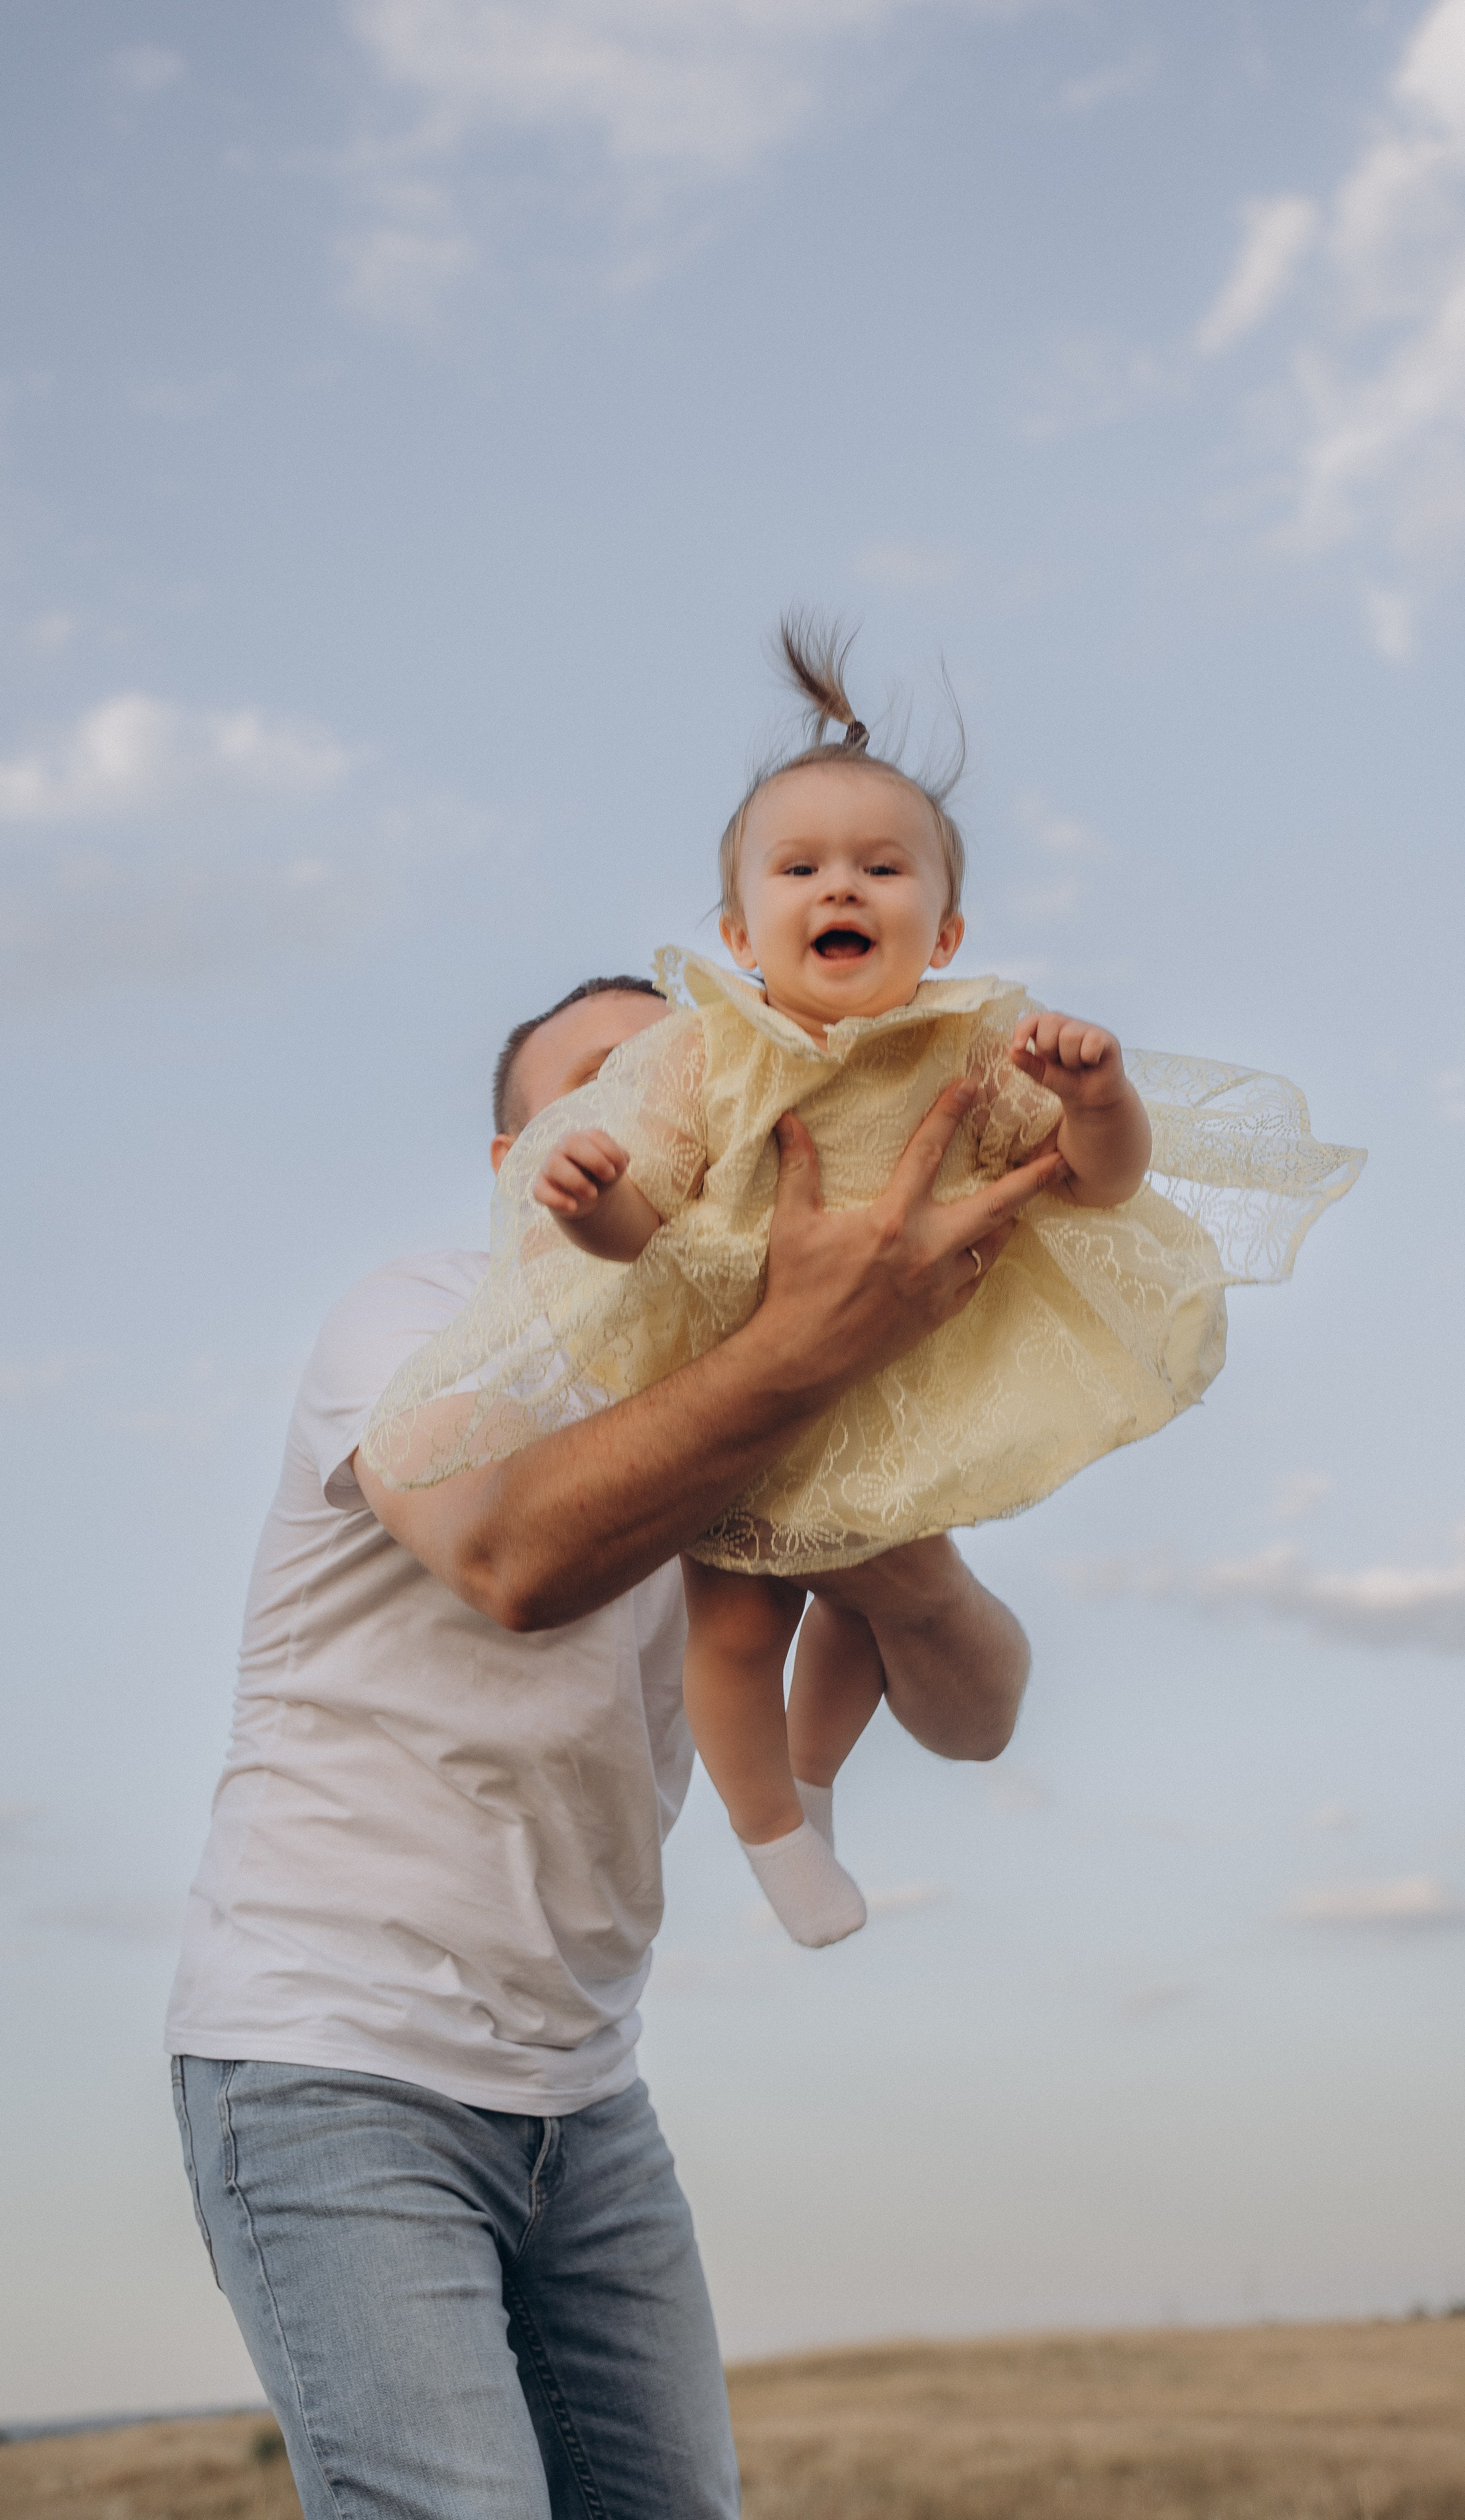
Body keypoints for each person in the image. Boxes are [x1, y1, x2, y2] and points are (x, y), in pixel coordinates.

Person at [165, 970, 1054, 2520]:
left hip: (587, 2099)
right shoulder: (415, 1319)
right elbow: (510, 1563)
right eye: (601, 1079)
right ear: (518, 1170)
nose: (659, 1100)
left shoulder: (770, 1382)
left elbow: (974, 1710)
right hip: (330, 2058)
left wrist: (868, 1486)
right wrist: (796, 1360)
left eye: (689, 1075)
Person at [366, 619, 1366, 1952]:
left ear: (941, 925)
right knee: (735, 1633)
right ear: (735, 930)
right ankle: (774, 1835)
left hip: (890, 1381)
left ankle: (816, 1781)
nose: (841, 888)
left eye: (878, 868)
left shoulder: (958, 1044)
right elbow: (624, 1250)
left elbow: (1094, 1179)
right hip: (728, 1374)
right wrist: (596, 1195)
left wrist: (1101, 1098)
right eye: (802, 868)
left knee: (858, 1595)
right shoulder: (427, 1315)